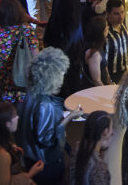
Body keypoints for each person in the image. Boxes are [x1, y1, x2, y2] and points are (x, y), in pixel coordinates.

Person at [19, 47, 83, 185]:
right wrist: (69, 117)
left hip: (30, 157)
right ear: (51, 76)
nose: (63, 75)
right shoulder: (45, 104)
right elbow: (46, 139)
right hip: (46, 163)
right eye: (60, 72)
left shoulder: (30, 94)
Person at [0, 0, 41, 104]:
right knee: (25, 109)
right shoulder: (28, 30)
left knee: (7, 111)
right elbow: (36, 56)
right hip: (23, 77)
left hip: (4, 80)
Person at [0, 101, 45, 185]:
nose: (18, 117)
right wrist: (31, 173)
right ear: (7, 124)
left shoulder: (1, 142)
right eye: (14, 116)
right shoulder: (2, 155)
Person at [74, 110, 113, 185]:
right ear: (105, 131)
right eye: (111, 128)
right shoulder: (99, 167)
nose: (112, 133)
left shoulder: (77, 148)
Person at [103, 0, 128, 83]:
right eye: (116, 14)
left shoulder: (123, 26)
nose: (121, 17)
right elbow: (103, 61)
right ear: (108, 14)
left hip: (124, 72)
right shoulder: (104, 31)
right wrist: (108, 80)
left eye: (122, 12)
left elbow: (126, 49)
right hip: (112, 76)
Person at [80, 17, 110, 88]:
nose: (108, 27)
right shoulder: (94, 54)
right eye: (106, 26)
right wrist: (106, 91)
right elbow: (97, 81)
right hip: (97, 90)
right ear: (101, 30)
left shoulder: (98, 47)